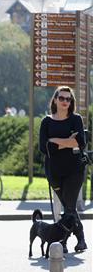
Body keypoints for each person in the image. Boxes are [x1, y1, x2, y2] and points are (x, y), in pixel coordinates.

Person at [39, 86, 87, 252]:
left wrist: (54, 141)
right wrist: (67, 141)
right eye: (62, 98)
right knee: (69, 206)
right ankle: (79, 238)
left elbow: (80, 143)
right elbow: (44, 148)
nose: (65, 101)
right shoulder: (46, 121)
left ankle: (65, 241)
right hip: (54, 172)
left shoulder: (76, 119)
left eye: (68, 99)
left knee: (69, 206)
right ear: (55, 100)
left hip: (75, 170)